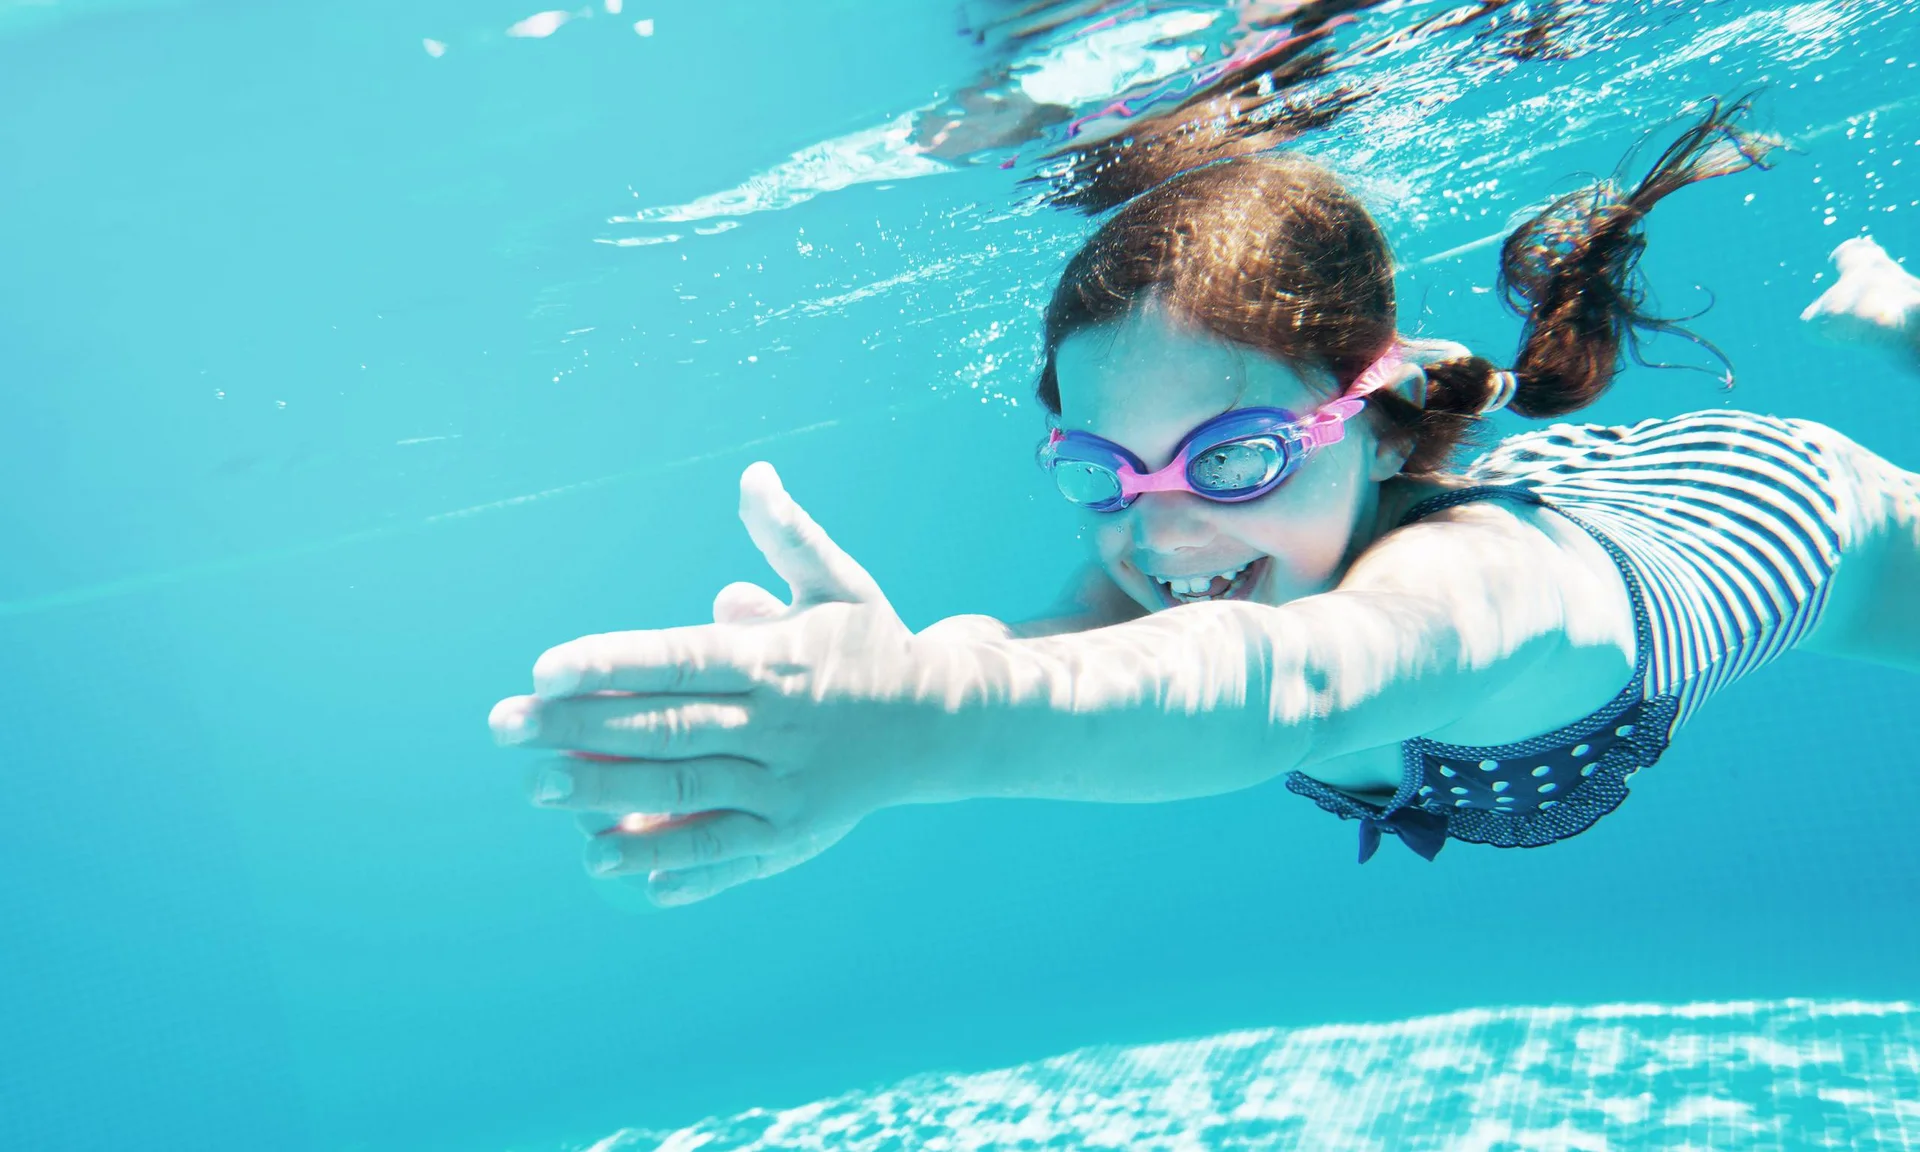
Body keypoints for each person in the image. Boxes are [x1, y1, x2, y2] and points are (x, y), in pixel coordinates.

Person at [489, 98, 1920, 906]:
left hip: (1793, 518)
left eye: (1233, 460)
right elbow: (1027, 658)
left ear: (1368, 421)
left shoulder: (1480, 599)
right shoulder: (1170, 561)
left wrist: (929, 736)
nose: (1163, 537)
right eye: (1103, 475)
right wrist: (881, 687)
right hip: (1567, 486)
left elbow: (1293, 682)